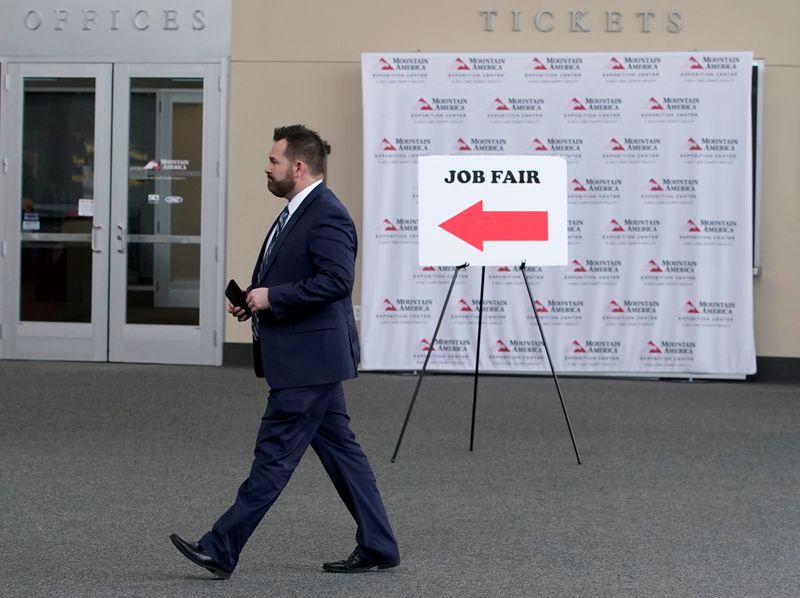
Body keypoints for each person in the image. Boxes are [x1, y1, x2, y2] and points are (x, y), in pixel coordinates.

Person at [170, 124, 400, 578]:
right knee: (343, 454)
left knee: (274, 455)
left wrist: (273, 298)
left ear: (297, 167)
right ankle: (380, 544)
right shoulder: (298, 210)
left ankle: (221, 547)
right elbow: (297, 275)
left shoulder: (326, 213)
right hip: (314, 357)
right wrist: (257, 299)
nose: (266, 168)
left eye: (273, 161)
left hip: (307, 363)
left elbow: (337, 282)